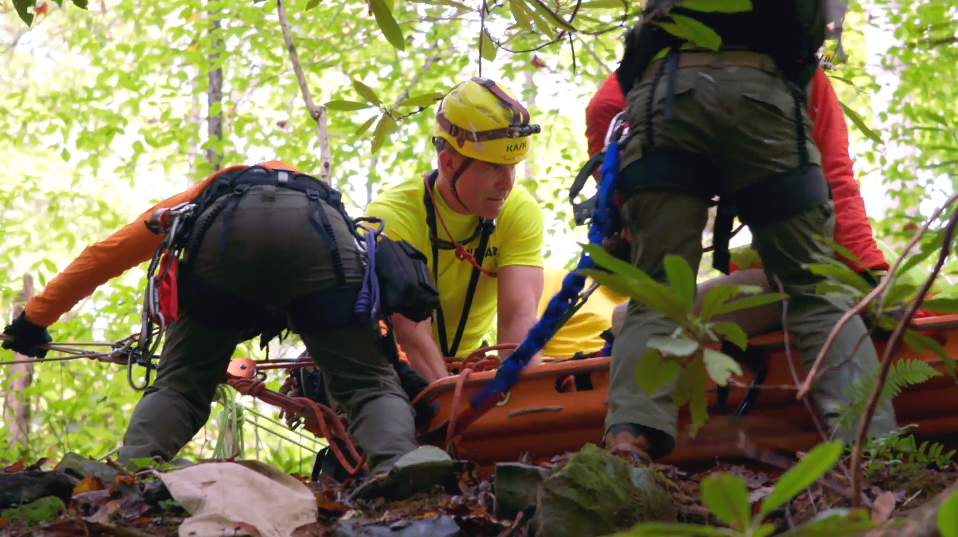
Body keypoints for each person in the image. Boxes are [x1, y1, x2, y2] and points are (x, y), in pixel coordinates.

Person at [2, 160, 449, 493]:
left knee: (180, 385)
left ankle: (129, 476)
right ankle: (402, 472)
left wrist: (33, 320)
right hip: (321, 242)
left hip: (221, 249)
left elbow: (106, 254)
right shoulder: (323, 203)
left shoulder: (204, 198)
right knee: (368, 384)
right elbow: (374, 344)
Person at [596, 1, 897, 463]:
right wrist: (868, 274)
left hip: (664, 97)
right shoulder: (799, 74)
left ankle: (627, 444)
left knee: (657, 289)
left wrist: (626, 212)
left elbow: (606, 107)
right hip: (764, 99)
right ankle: (872, 451)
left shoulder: (664, 49)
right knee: (815, 288)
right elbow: (836, 182)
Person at [588, 65, 892, 339]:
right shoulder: (795, 65)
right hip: (817, 278)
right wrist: (871, 275)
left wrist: (869, 278)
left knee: (630, 320)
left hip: (814, 284)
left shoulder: (636, 84)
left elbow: (836, 183)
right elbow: (836, 182)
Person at [365, 77, 546, 383]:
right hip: (392, 368)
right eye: (493, 167)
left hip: (463, 368)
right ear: (448, 164)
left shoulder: (518, 211)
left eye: (513, 166)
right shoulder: (391, 217)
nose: (508, 182)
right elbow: (410, 333)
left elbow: (519, 323)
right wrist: (452, 408)